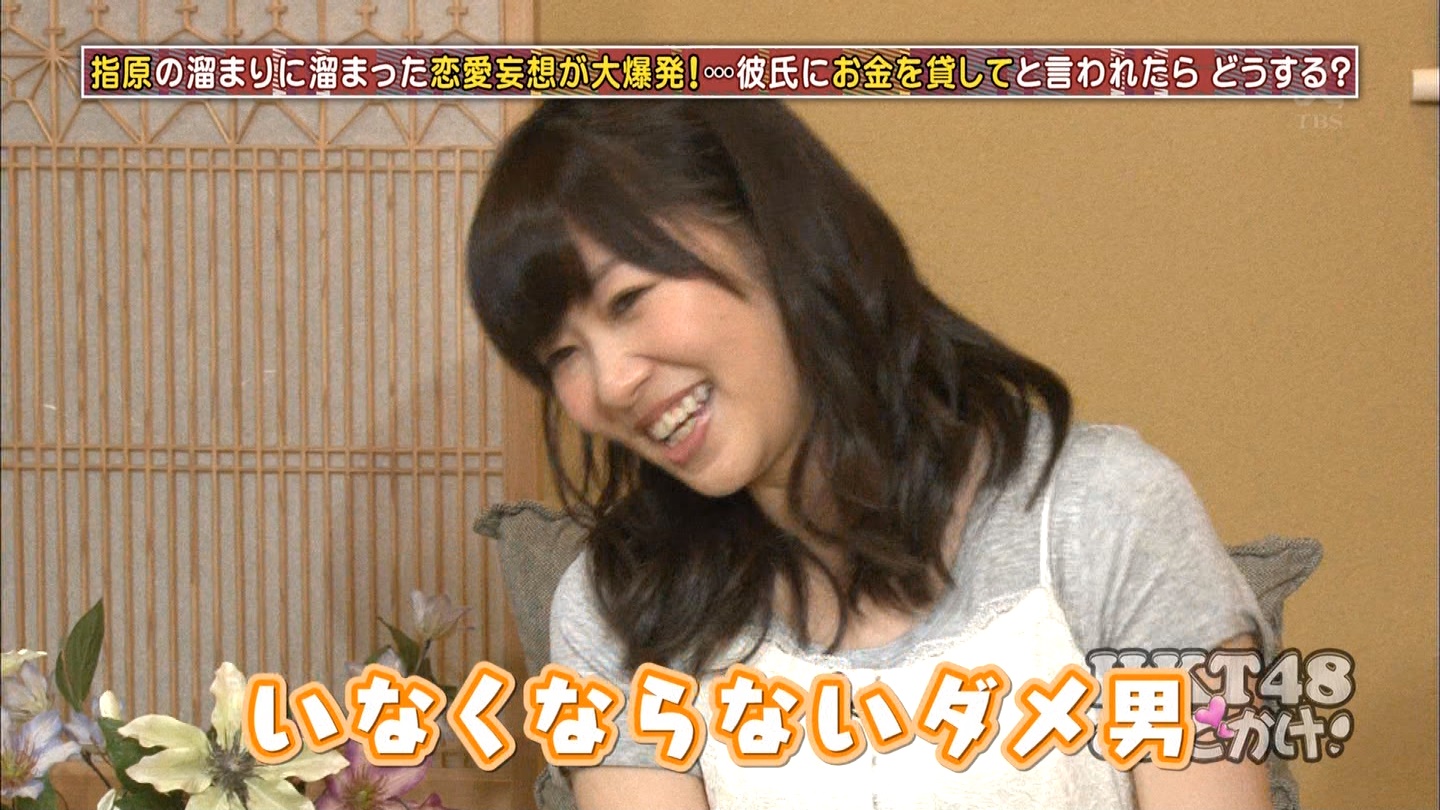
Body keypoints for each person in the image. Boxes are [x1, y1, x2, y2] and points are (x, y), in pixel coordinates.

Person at [465, 100, 1272, 810]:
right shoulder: (618, 608)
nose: (610, 383)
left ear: (774, 233)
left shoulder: (1111, 515)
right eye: (561, 355)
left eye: (628, 299)